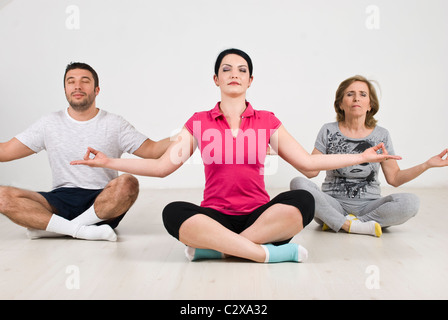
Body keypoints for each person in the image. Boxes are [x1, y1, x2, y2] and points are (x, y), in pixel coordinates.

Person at [71, 50, 399, 262]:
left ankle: (218, 248)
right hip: (215, 216)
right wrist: (107, 162)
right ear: (216, 79)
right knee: (173, 212)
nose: (234, 74)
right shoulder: (198, 122)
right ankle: (267, 255)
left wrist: (361, 157)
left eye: (241, 70)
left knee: (303, 200)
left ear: (250, 80)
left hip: (260, 215)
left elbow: (308, 163)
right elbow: (160, 168)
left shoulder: (268, 120)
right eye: (226, 69)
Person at [0, 62, 171, 241]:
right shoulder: (49, 123)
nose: (78, 86)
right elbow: (4, 152)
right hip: (59, 200)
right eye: (71, 81)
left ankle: (57, 228)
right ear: (65, 90)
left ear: (96, 90)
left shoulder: (114, 124)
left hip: (103, 202)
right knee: (2, 196)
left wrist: (187, 132)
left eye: (85, 81)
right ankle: (81, 230)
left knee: (128, 182)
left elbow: (153, 150)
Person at [290, 75, 448, 237]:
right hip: (333, 205)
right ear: (340, 104)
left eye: (363, 94)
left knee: (411, 202)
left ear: (370, 105)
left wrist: (426, 165)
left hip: (369, 206)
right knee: (298, 183)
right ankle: (352, 224)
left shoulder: (381, 135)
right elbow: (311, 171)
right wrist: (283, 150)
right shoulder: (328, 130)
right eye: (350, 94)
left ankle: (344, 224)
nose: (356, 98)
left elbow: (394, 178)